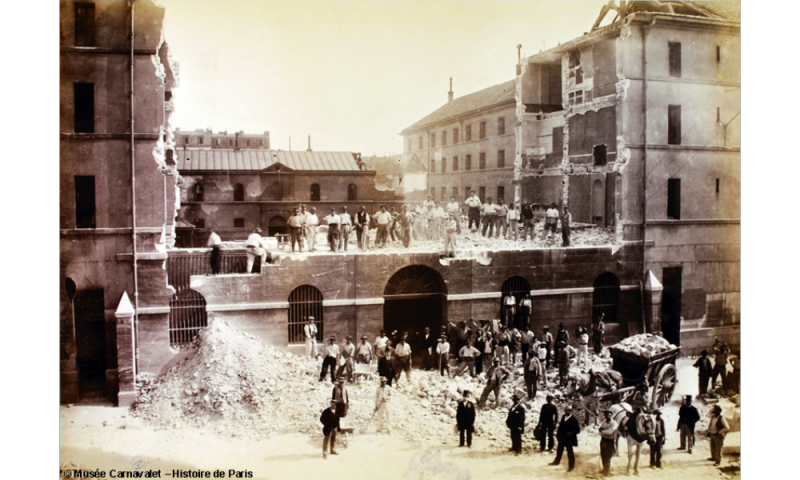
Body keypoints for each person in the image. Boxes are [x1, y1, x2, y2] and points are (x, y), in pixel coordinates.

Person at [549, 404, 581, 472]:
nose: (567, 412)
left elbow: (578, 430)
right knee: (559, 450)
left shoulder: (573, 419)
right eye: (566, 410)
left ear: (571, 411)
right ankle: (556, 461)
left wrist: (571, 433)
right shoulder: (563, 417)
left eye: (568, 411)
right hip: (562, 437)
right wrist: (558, 435)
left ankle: (571, 466)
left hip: (569, 439)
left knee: (570, 452)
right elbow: (560, 426)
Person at [598, 408, 618, 477]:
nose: (607, 416)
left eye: (609, 415)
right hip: (603, 441)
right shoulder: (604, 422)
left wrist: (603, 431)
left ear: (611, 415)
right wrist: (603, 431)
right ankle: (604, 469)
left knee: (608, 457)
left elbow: (610, 432)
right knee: (603, 455)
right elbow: (599, 431)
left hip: (610, 442)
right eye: (606, 415)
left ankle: (606, 472)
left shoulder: (614, 423)